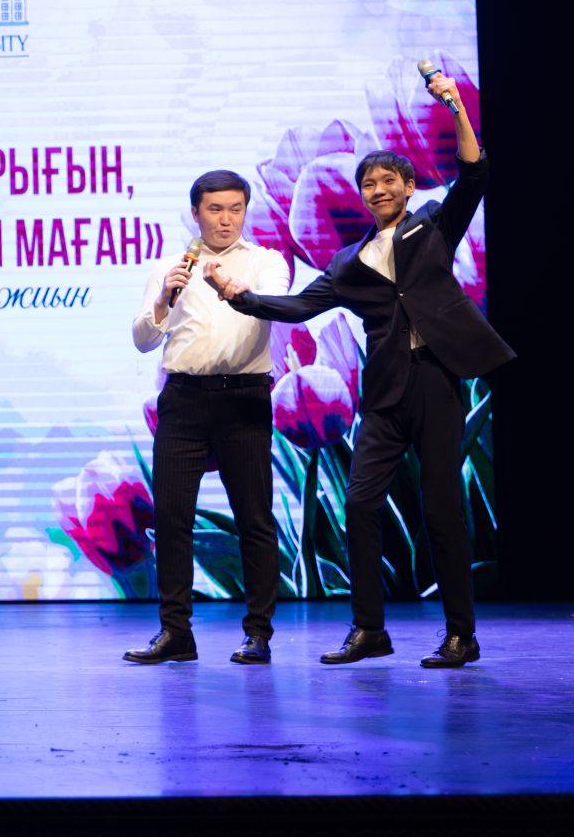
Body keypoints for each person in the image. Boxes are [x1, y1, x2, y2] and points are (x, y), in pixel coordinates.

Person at [206, 69, 512, 667]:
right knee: (359, 505)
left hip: (436, 383)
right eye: (368, 184)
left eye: (388, 181)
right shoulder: (347, 263)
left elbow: (474, 173)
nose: (378, 190)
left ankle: (461, 635)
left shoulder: (432, 226)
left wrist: (454, 106)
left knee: (442, 511)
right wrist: (240, 296)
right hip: (385, 396)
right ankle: (369, 629)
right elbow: (299, 307)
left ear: (409, 186)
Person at [126, 171, 291, 665]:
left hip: (244, 399)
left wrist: (228, 286)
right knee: (172, 518)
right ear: (196, 213)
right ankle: (176, 632)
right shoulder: (171, 266)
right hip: (184, 401)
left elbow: (276, 305)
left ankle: (258, 634)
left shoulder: (266, 261)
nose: (226, 219)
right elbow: (143, 340)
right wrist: (163, 298)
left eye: (235, 209)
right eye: (215, 209)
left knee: (254, 519)